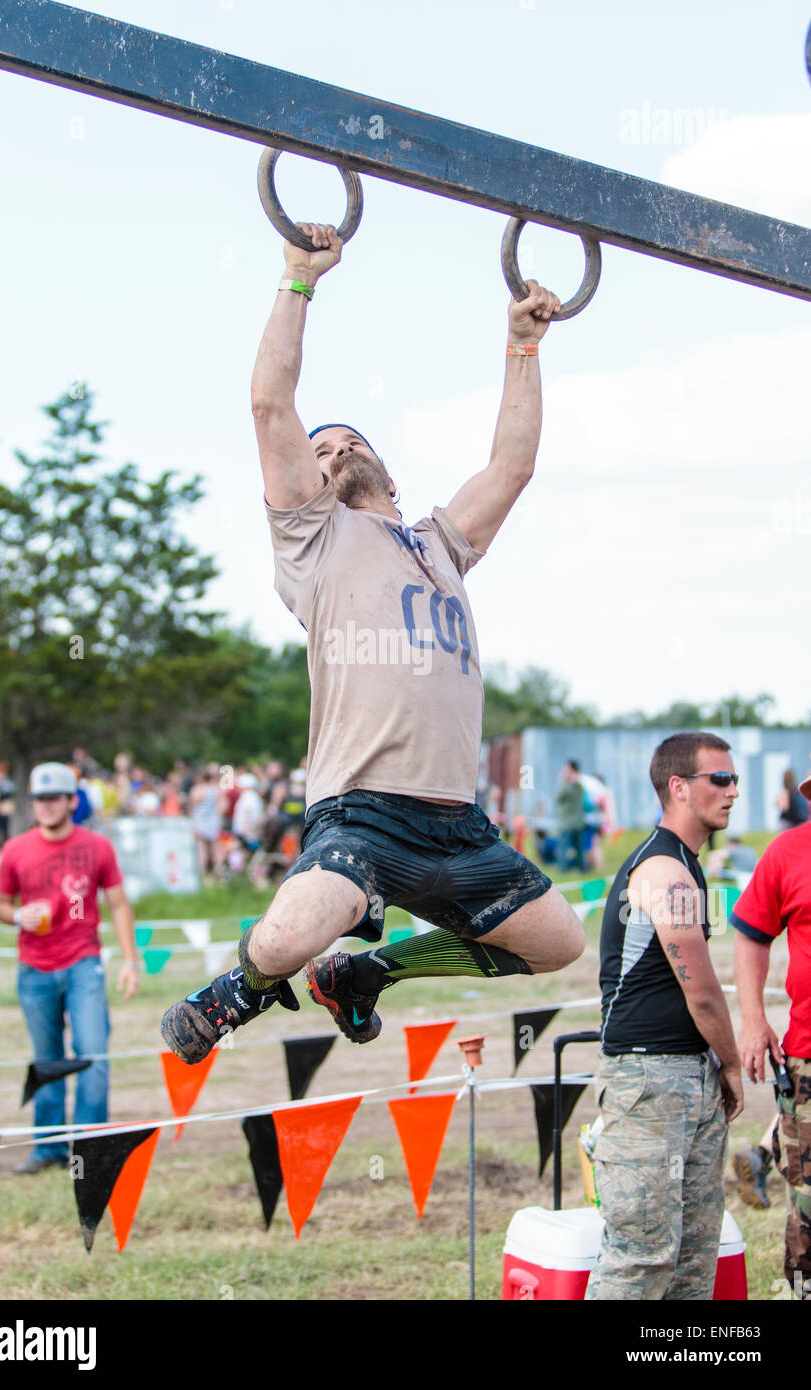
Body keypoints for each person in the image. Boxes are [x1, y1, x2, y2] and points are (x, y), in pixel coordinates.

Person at [160, 218, 584, 1065]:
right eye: (321, 450)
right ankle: (238, 989)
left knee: (558, 943)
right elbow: (269, 404)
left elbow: (511, 466)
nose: (335, 448)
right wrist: (298, 277)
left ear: (389, 477)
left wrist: (524, 345)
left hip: (457, 824)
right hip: (362, 809)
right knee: (286, 938)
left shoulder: (441, 544)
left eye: (352, 442)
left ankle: (369, 973)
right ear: (306, 483)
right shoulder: (312, 541)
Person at [586, 732, 744, 1301]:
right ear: (678, 787)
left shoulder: (686, 865)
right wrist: (732, 1063)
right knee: (642, 1257)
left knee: (692, 1258)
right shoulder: (664, 871)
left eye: (734, 780)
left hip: (684, 1073)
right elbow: (701, 990)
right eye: (719, 780)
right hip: (649, 1080)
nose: (733, 792)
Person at [0, 762, 139, 1174]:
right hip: (34, 968)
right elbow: (0, 904)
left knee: (92, 1055)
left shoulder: (97, 846)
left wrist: (130, 960)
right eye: (39, 798)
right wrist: (18, 915)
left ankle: (88, 1151)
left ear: (71, 801)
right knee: (47, 1059)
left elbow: (119, 903)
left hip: (83, 962)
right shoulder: (16, 850)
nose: (46, 805)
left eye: (54, 797)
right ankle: (48, 1149)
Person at [731, 767, 811, 1298]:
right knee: (807, 1196)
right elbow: (751, 934)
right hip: (807, 1056)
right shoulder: (788, 852)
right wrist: (754, 1017)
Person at [556, 760, 587, 871]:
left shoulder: (572, 786)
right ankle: (582, 868)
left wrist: (565, 781)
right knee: (579, 848)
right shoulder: (579, 785)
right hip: (578, 822)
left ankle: (564, 868)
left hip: (568, 823)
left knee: (564, 848)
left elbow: (559, 797)